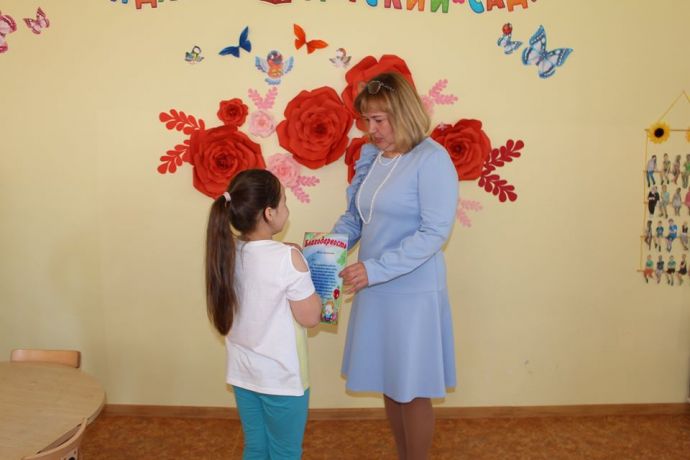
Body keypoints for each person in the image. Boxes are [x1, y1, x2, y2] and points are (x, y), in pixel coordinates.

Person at [332, 72, 458, 460]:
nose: (371, 130)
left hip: (412, 293)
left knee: (412, 388)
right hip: (374, 288)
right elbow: (356, 217)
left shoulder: (431, 159)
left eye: (379, 120)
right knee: (390, 381)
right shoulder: (372, 157)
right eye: (366, 120)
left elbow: (434, 233)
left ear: (404, 113)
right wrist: (326, 249)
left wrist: (375, 270)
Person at [205, 169, 322, 460]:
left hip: (243, 375)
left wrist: (290, 255)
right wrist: (314, 281)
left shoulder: (229, 251)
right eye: (284, 202)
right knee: (285, 452)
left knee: (256, 448)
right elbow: (310, 318)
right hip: (282, 379)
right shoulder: (287, 258)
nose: (287, 209)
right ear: (269, 213)